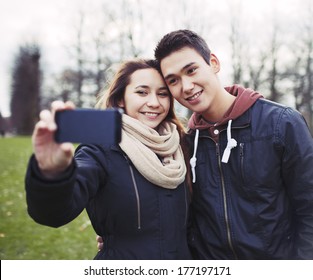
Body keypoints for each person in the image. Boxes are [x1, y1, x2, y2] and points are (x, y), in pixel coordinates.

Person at [153, 29, 313, 259]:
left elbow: (309, 210)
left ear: (214, 63)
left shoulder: (281, 123)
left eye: (191, 70)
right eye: (173, 80)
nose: (186, 86)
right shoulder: (185, 143)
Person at [25, 59, 192, 260]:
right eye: (142, 92)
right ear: (121, 99)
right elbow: (53, 213)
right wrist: (52, 173)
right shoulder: (99, 150)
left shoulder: (182, 145)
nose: (154, 102)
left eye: (163, 94)